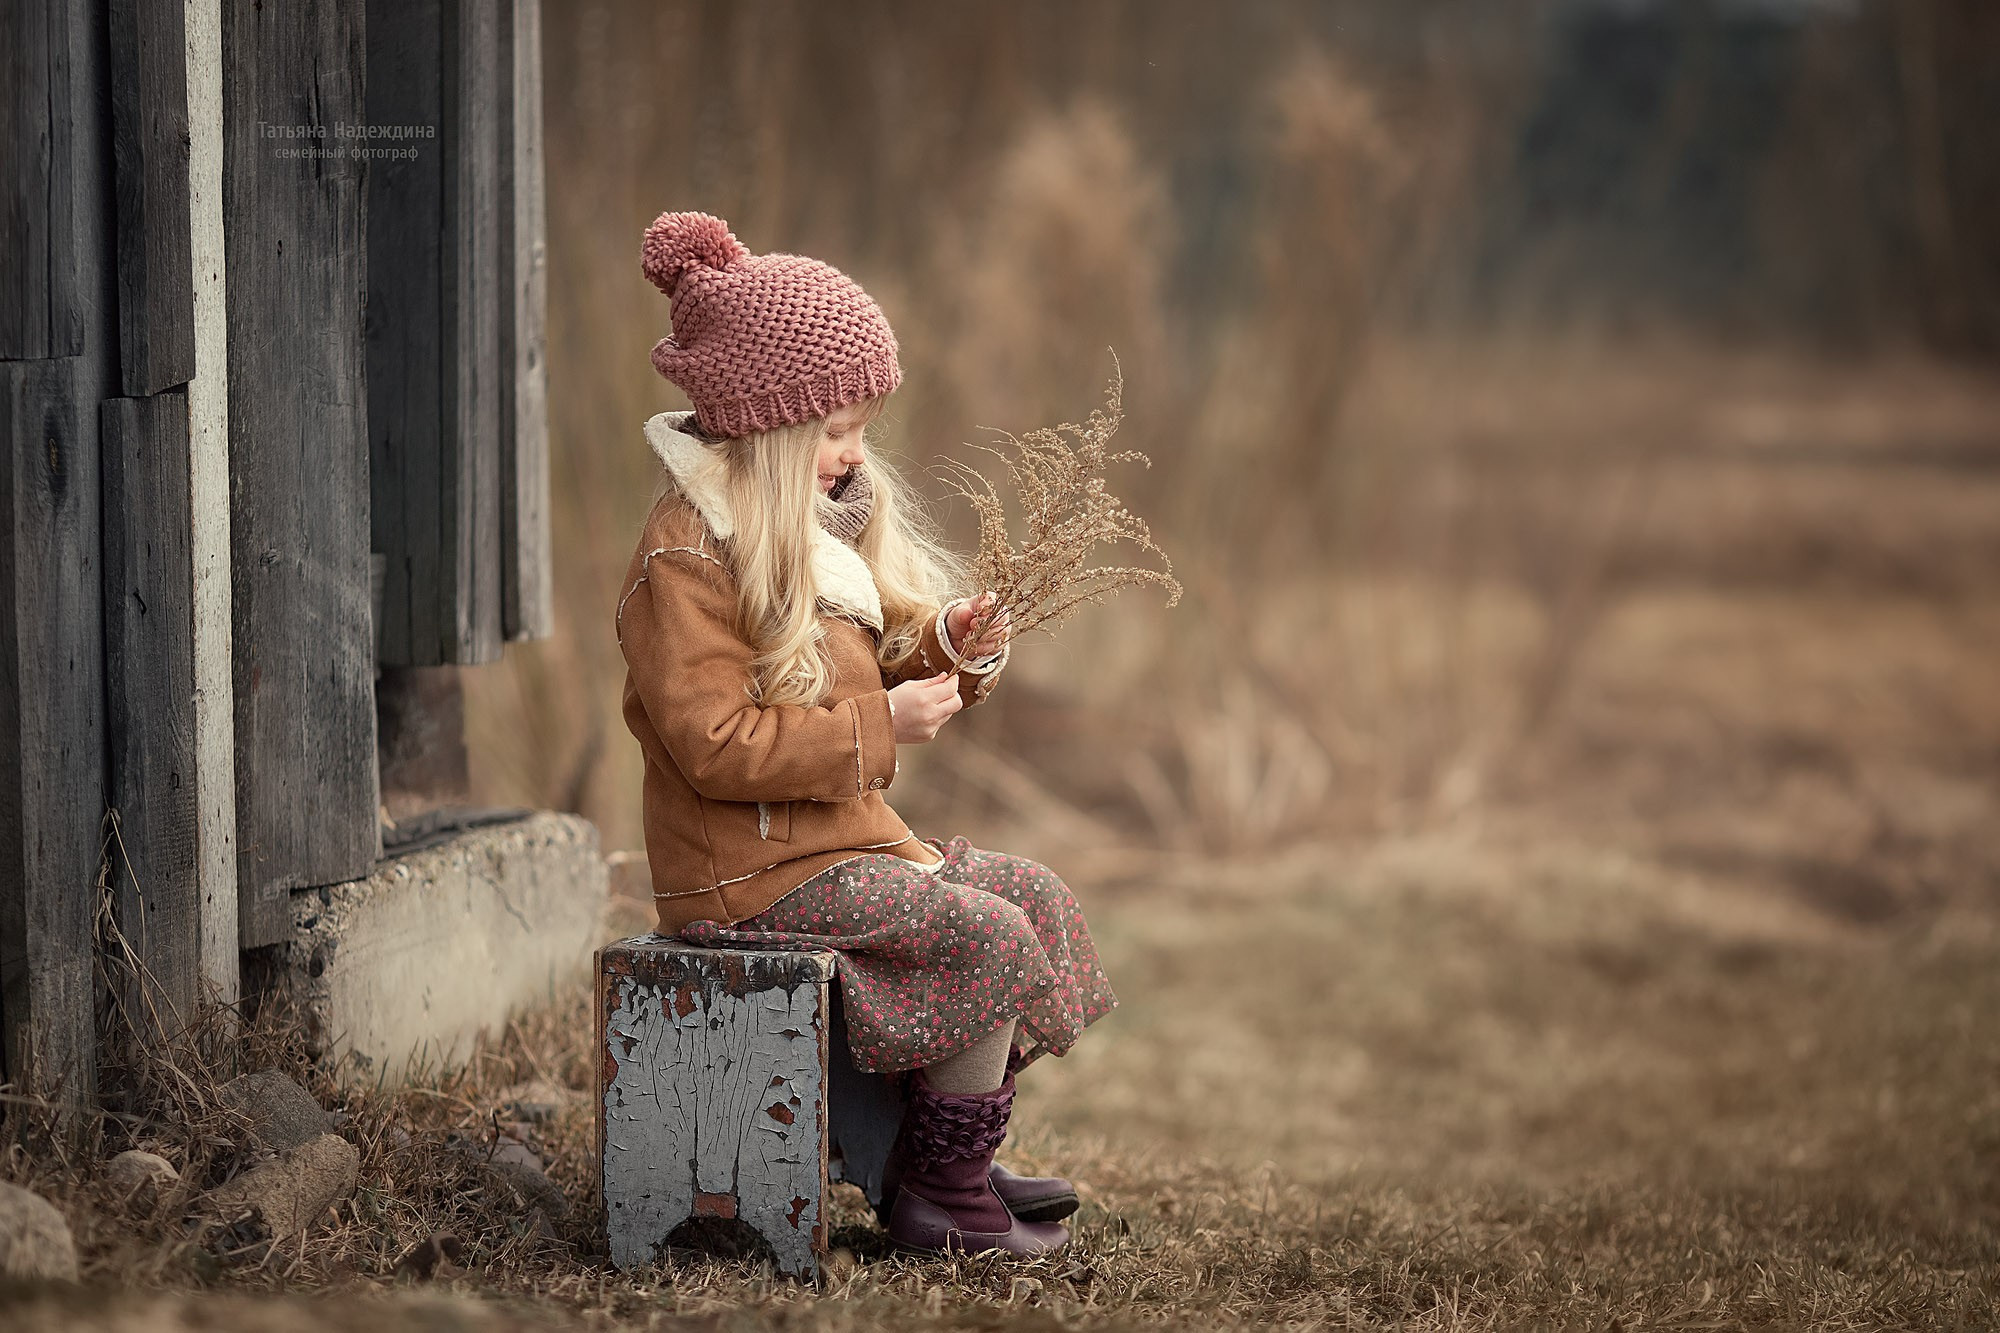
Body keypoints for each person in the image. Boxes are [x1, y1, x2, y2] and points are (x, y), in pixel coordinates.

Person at [615, 211, 1116, 1256]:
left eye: (859, 429)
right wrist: (876, 728)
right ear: (766, 425)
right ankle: (943, 1196)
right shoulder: (687, 562)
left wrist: (947, 644)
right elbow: (716, 744)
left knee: (1026, 893)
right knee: (980, 935)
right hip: (747, 875)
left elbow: (862, 662)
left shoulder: (806, 535)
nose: (851, 455)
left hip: (829, 849)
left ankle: (942, 1157)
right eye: (833, 430)